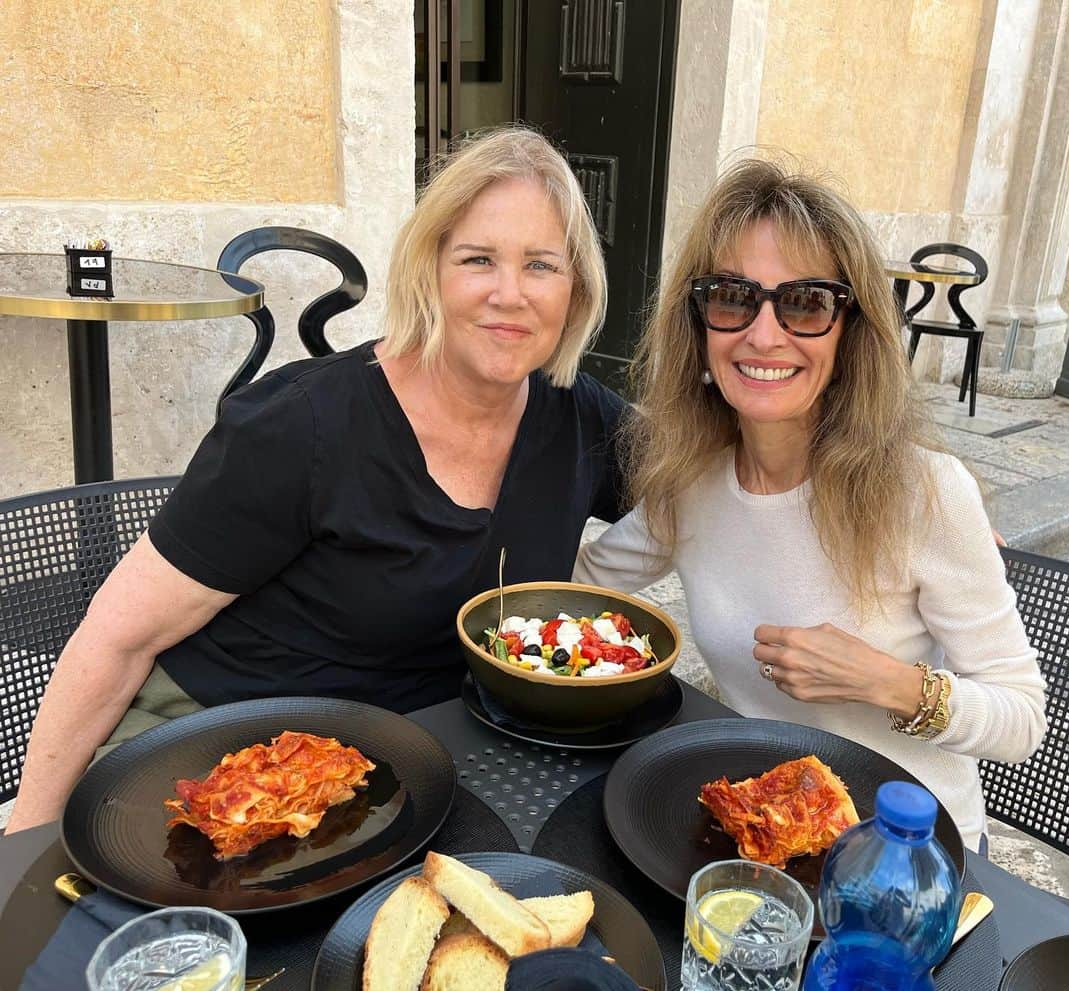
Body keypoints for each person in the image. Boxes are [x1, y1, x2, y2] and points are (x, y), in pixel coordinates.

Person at [9, 127, 624, 832]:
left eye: (541, 264)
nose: (509, 293)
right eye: (478, 259)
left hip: (396, 780)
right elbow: (115, 638)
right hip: (211, 753)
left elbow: (711, 480)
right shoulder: (303, 426)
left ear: (576, 289)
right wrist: (22, 852)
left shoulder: (581, 419)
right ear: (430, 270)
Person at [574, 159, 1045, 851]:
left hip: (904, 859)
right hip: (762, 831)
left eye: (806, 302)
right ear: (699, 324)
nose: (765, 335)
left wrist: (888, 682)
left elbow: (1023, 719)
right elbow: (581, 589)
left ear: (851, 331)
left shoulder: (926, 492)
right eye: (734, 296)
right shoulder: (690, 480)